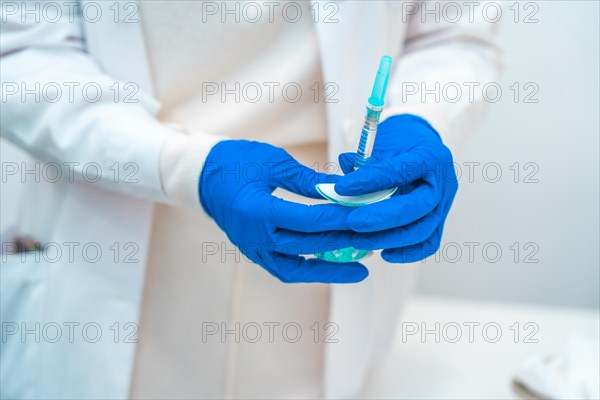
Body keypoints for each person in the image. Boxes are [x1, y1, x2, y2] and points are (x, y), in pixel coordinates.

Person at [0, 1, 500, 398]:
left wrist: (423, 116)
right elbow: (19, 53)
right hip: (123, 223)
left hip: (322, 261)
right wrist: (184, 166)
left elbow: (452, 33)